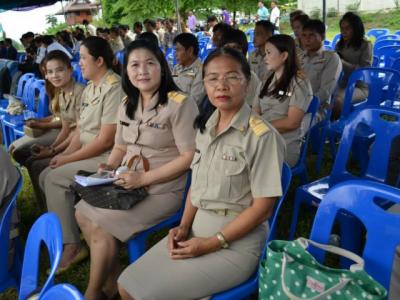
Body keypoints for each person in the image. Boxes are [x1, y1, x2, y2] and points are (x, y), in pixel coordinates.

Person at [117, 46, 285, 300]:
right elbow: (197, 184)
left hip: (235, 244)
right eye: (213, 78)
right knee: (126, 284)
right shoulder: (206, 127)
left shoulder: (261, 136)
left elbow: (263, 208)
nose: (222, 86)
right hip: (196, 230)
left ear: (247, 82)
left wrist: (210, 244)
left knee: (149, 295)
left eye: (232, 77)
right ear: (204, 84)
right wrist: (183, 226)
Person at [75, 39, 198, 300]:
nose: (142, 71)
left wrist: (145, 178)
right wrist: (109, 166)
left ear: (162, 68)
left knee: (100, 225)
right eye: (134, 65)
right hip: (126, 183)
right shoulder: (126, 103)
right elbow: (120, 146)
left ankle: (93, 292)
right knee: (82, 213)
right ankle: (111, 281)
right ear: (126, 72)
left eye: (149, 63)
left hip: (162, 191)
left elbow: (190, 157)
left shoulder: (179, 104)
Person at [38, 36, 125, 273]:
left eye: (83, 58)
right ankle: (72, 232)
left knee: (54, 178)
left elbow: (105, 140)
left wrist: (67, 159)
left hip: (106, 157)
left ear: (99, 61)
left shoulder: (113, 87)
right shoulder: (91, 88)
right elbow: (80, 131)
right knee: (47, 173)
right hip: (89, 151)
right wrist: (62, 153)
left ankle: (72, 245)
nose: (80, 63)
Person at [10, 50, 85, 209]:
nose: (55, 75)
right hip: (68, 138)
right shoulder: (63, 92)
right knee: (30, 158)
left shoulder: (80, 92)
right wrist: (50, 148)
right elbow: (65, 128)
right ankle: (47, 204)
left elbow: (77, 132)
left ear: (70, 70)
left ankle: (51, 208)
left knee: (37, 164)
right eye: (50, 72)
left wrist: (54, 151)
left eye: (60, 70)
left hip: (80, 142)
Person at [253, 34, 312, 167]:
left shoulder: (299, 83)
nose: (265, 57)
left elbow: (292, 123)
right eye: (265, 53)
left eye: (269, 53)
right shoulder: (264, 83)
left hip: (284, 143)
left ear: (284, 56)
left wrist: (260, 127)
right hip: (260, 138)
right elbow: (254, 114)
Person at [300, 19, 342, 122]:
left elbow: (325, 92)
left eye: (312, 35)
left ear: (322, 36)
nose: (307, 39)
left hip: (317, 109)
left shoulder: (331, 57)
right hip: (295, 105)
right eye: (304, 36)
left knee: (292, 128)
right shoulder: (299, 57)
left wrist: (303, 106)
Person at [333, 12, 372, 118]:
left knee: (337, 100)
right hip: (341, 84)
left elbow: (364, 71)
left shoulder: (365, 45)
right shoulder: (339, 45)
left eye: (347, 28)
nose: (343, 32)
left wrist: (342, 62)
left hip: (359, 87)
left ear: (356, 29)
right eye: (342, 28)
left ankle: (335, 128)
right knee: (320, 96)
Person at [220, 28, 262, 107]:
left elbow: (252, 108)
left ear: (243, 50)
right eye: (227, 47)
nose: (232, 51)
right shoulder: (216, 75)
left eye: (236, 47)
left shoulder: (250, 78)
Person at [172, 33, 205, 105]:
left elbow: (194, 101)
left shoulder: (200, 71)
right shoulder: (176, 68)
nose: (175, 54)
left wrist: (171, 97)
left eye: (178, 50)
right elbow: (171, 85)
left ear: (190, 50)